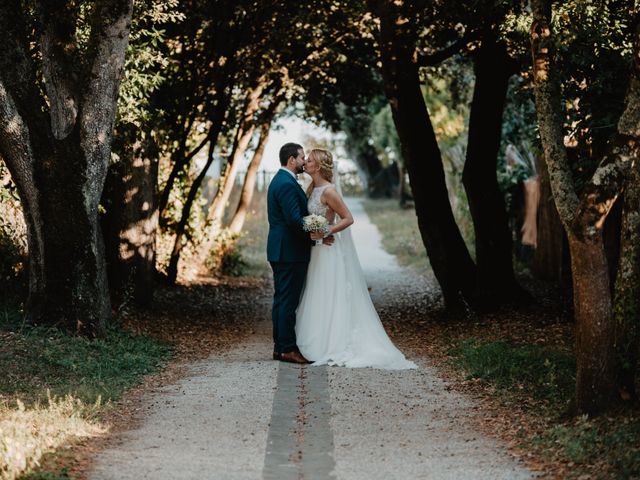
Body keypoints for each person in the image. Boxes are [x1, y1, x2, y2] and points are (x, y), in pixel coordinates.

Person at [295, 149, 417, 369]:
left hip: (329, 250)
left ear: (319, 166)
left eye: (310, 160)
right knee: (317, 291)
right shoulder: (311, 188)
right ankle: (316, 339)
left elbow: (348, 218)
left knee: (330, 292)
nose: (306, 162)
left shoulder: (329, 191)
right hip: (317, 249)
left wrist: (327, 231)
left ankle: (332, 342)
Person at [266, 142, 333, 364]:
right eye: (302, 157)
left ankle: (279, 347)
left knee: (281, 299)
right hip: (290, 251)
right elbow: (294, 220)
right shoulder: (286, 183)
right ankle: (287, 348)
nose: (304, 161)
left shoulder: (282, 180)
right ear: (291, 160)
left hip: (282, 249)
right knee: (288, 301)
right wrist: (318, 233)